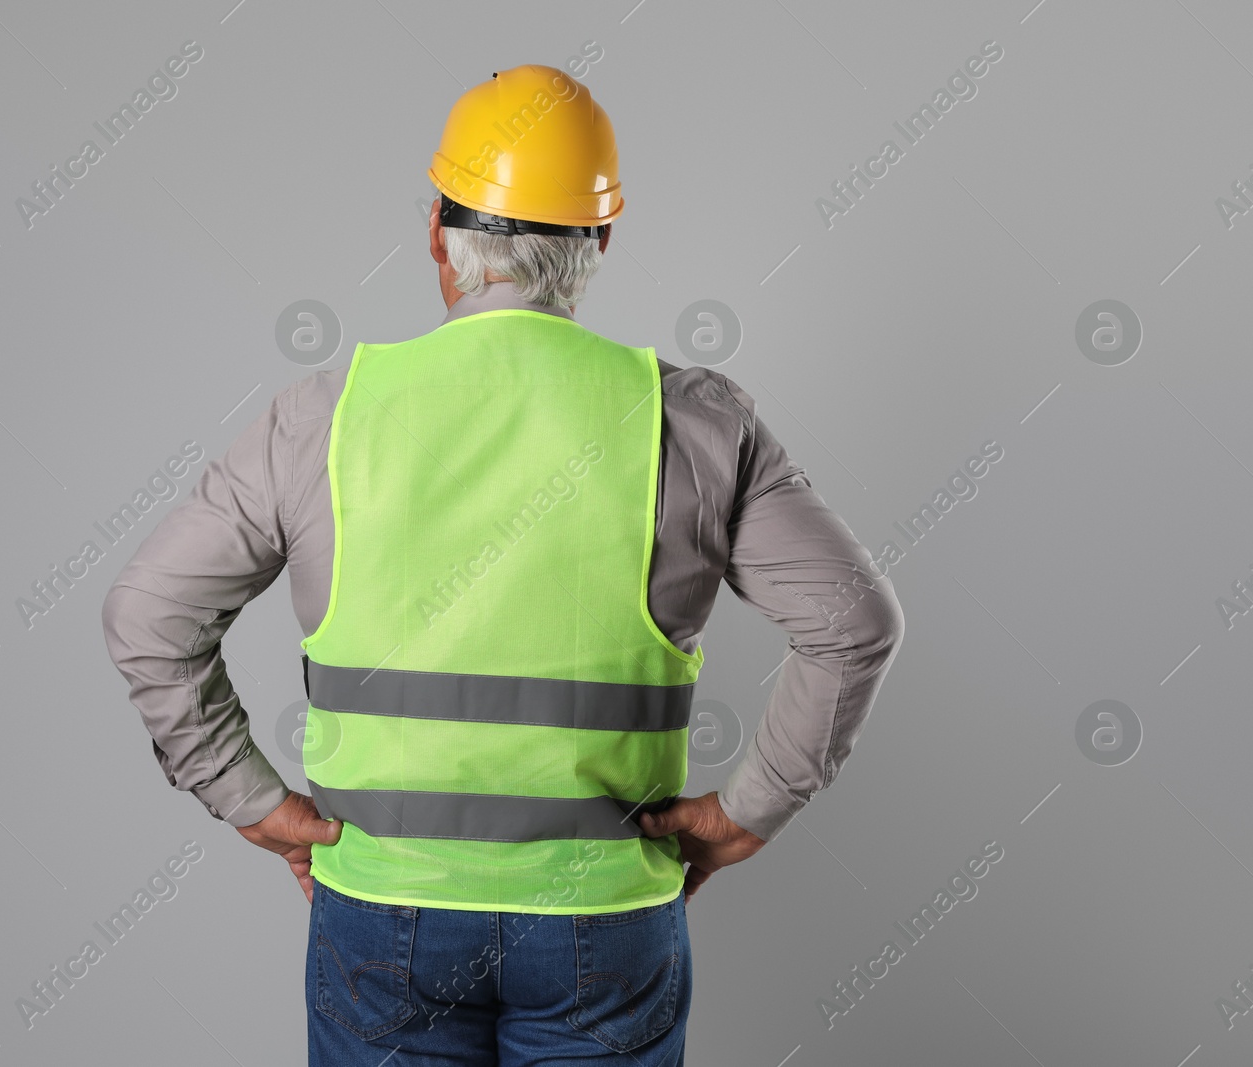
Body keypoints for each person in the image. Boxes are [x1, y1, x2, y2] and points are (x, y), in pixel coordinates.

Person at [101, 62, 904, 1066]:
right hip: (602, 918)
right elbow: (853, 622)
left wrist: (254, 802)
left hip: (383, 907)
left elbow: (146, 616)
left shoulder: (321, 419)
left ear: (437, 232)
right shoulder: (694, 421)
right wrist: (746, 813)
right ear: (599, 240)